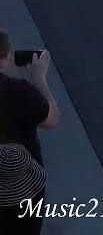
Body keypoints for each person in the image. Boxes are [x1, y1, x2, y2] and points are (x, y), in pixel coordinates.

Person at [0, 30, 58, 235]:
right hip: (21, 189)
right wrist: (38, 78)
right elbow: (51, 119)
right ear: (5, 57)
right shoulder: (21, 92)